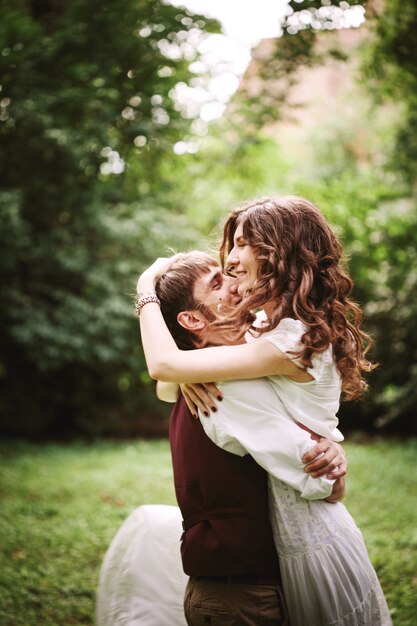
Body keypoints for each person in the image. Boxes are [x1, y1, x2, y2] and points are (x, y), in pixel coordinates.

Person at [136, 196, 392, 626]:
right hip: (276, 545)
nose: (232, 259)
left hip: (304, 534)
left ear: (276, 253)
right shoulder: (265, 329)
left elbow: (164, 367)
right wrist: (185, 375)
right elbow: (166, 381)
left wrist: (146, 290)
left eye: (240, 244)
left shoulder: (288, 340)